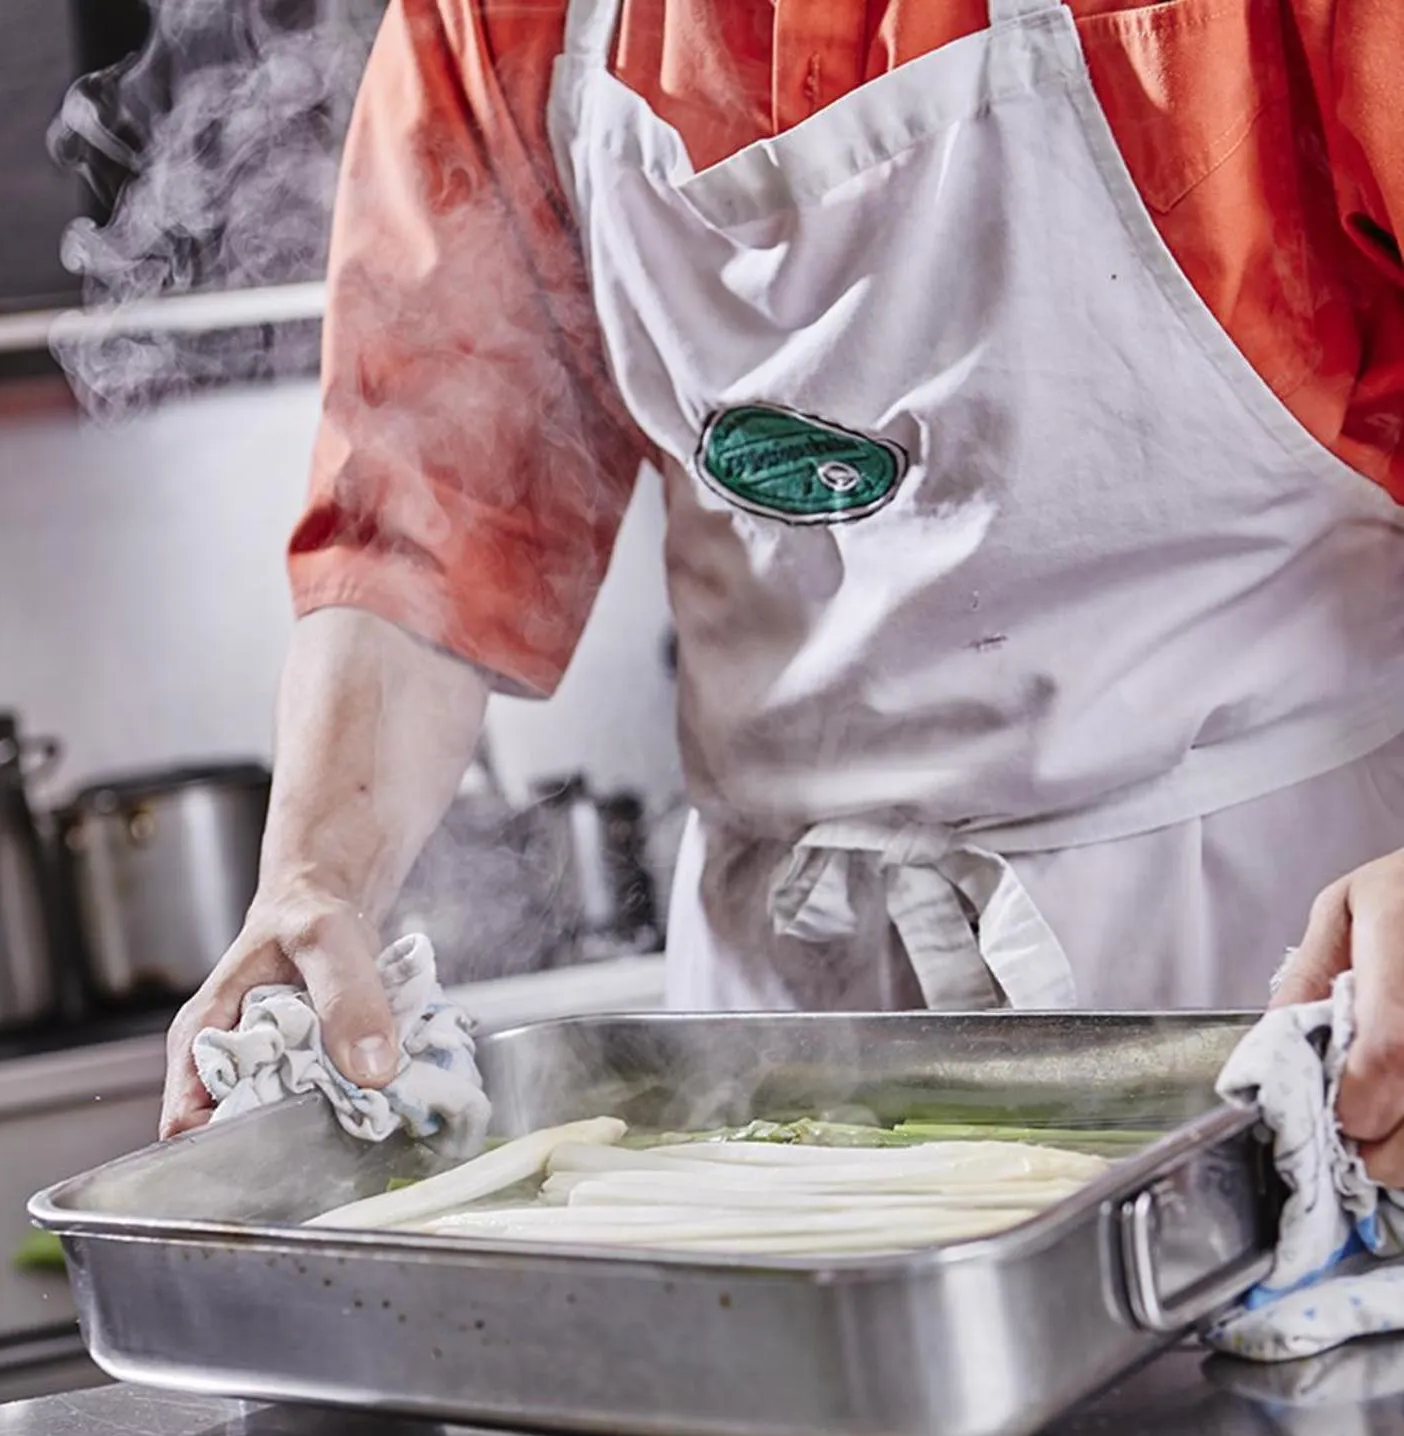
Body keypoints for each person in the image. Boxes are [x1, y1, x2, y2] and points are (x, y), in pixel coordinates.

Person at [160, 0, 1404, 1177]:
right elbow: (423, 521)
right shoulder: (496, 20)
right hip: (777, 1028)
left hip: (1274, 962)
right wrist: (315, 875)